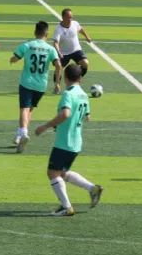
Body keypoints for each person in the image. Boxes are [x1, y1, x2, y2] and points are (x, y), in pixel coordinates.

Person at [34, 64, 103, 216]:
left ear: (65, 78)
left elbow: (65, 114)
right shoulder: (84, 95)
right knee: (62, 173)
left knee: (52, 173)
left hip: (65, 142)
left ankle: (66, 207)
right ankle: (92, 189)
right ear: (81, 78)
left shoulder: (68, 94)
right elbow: (87, 117)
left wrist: (45, 126)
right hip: (76, 142)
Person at [10, 20, 61, 153]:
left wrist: (13, 60)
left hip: (27, 82)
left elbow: (14, 58)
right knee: (30, 110)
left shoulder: (27, 45)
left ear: (35, 32)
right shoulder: (50, 49)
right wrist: (57, 83)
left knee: (24, 109)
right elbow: (58, 65)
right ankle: (19, 134)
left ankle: (23, 133)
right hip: (41, 86)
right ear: (47, 33)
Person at [53, 8, 93, 89]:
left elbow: (81, 29)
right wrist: (59, 52)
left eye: (71, 17)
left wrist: (87, 37)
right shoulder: (58, 29)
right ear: (63, 17)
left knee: (85, 63)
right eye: (68, 17)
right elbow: (55, 42)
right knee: (58, 68)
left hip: (76, 50)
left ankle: (77, 79)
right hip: (63, 53)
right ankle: (57, 85)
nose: (70, 19)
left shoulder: (75, 24)